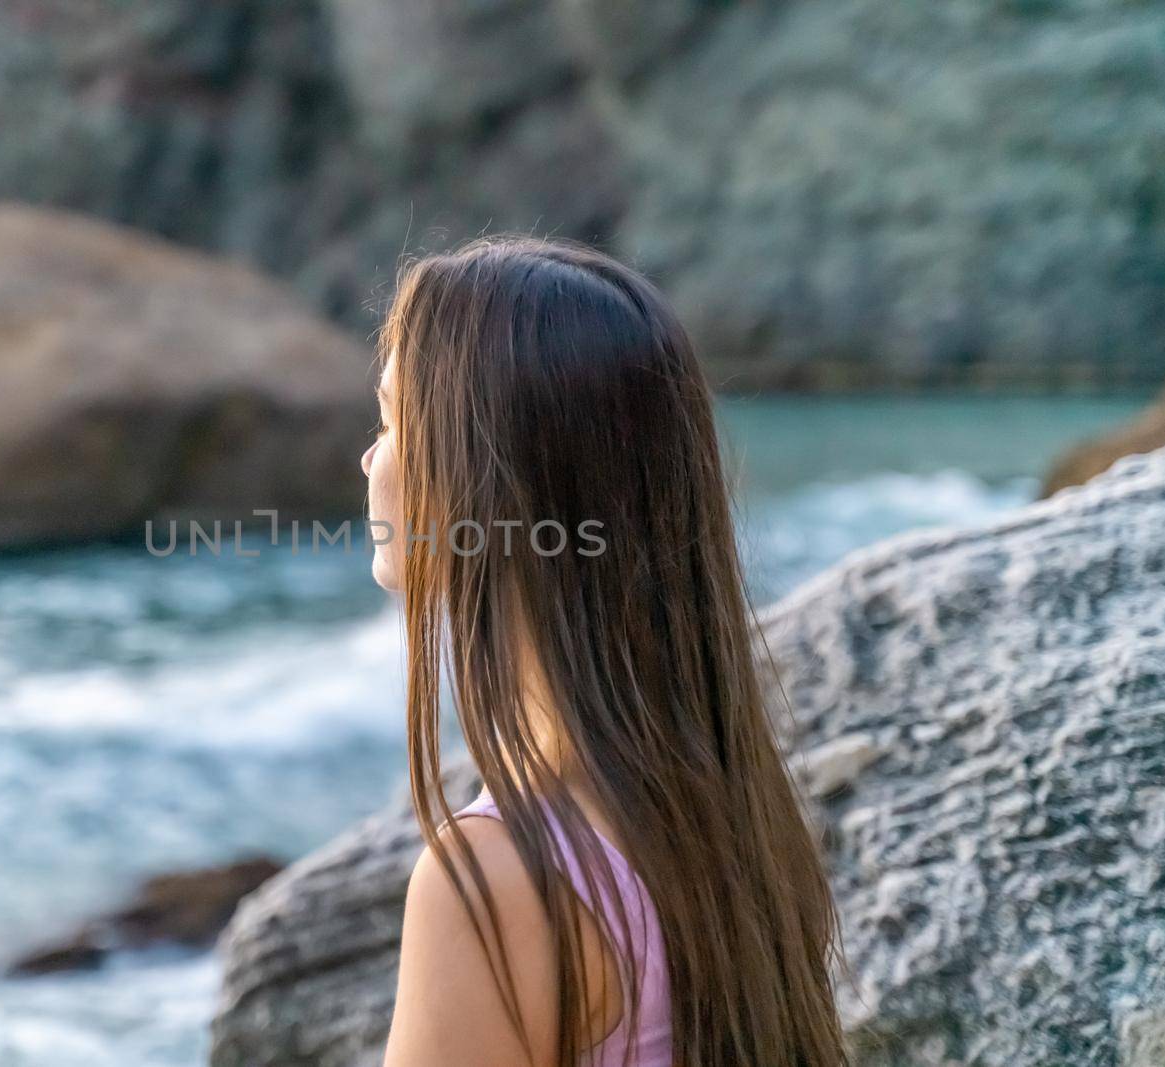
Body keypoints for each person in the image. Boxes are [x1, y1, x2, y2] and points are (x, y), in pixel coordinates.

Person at [361, 235, 848, 1067]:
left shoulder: (495, 881)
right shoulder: (736, 816)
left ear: (481, 477)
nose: (371, 457)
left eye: (393, 418)